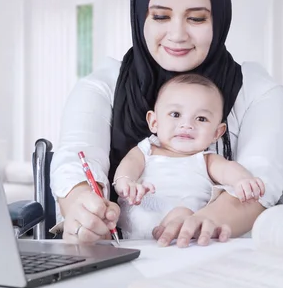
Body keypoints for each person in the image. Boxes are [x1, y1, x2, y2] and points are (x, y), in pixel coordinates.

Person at [49, 0, 283, 248]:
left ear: (219, 19)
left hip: (219, 261)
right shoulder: (103, 86)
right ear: (141, 17)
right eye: (161, 16)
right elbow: (77, 156)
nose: (177, 34)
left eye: (196, 18)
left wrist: (204, 221)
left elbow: (262, 179)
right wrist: (82, 207)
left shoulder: (257, 91)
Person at [114, 73, 266, 240]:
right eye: (175, 114)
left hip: (186, 231)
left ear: (217, 132)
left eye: (201, 118)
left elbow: (228, 170)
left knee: (183, 213)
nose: (187, 125)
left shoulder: (206, 160)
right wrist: (127, 183)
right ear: (154, 122)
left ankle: (174, 228)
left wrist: (242, 181)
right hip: (136, 229)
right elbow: (128, 166)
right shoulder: (145, 151)